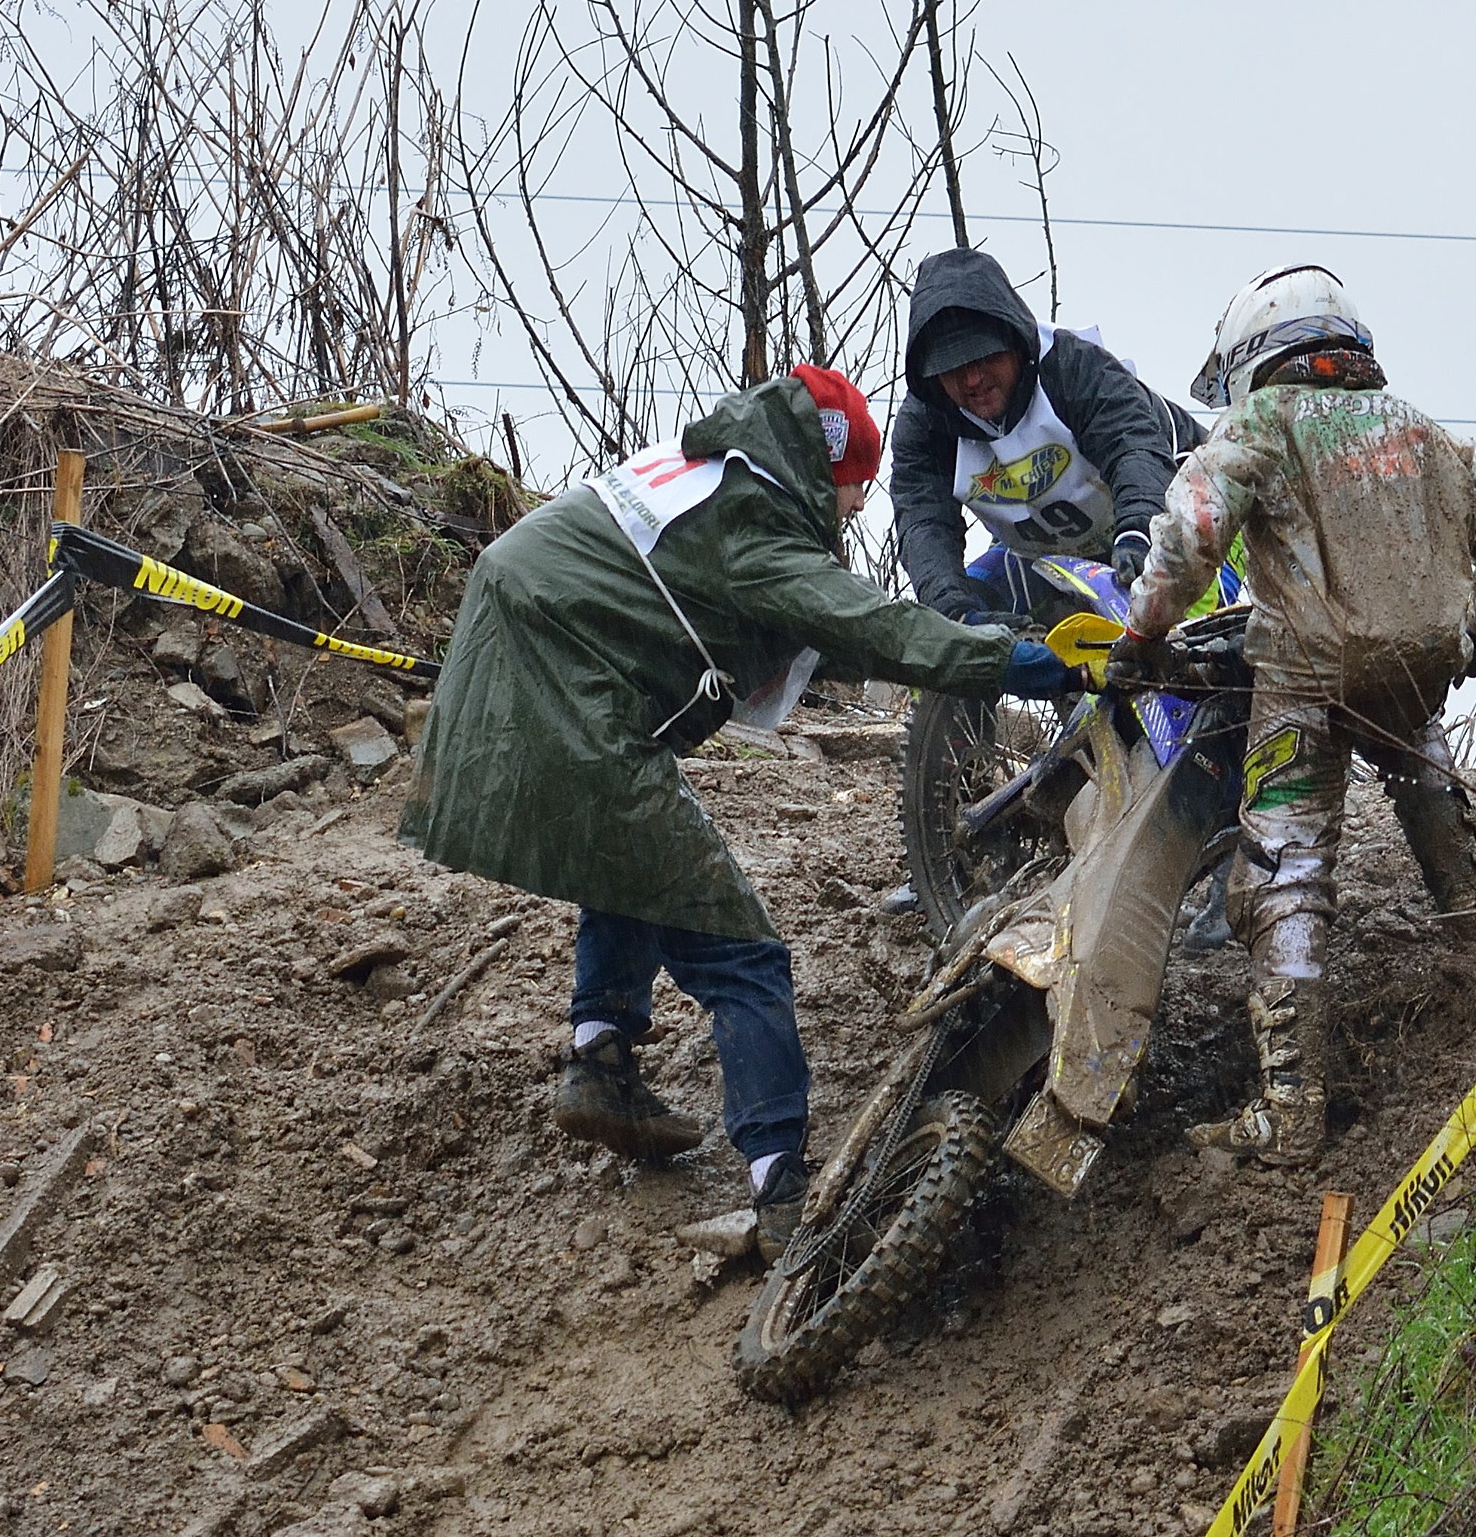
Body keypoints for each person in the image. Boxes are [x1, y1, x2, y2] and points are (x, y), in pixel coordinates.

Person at [400, 365, 1082, 1248]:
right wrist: (1011, 659)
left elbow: (804, 633)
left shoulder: (715, 476)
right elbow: (874, 627)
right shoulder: (755, 522)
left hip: (528, 661)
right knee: (745, 952)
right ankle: (782, 1192)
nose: (850, 513)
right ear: (832, 469)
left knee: (635, 852)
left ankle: (599, 1056)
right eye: (855, 494)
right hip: (566, 694)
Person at [1114, 264, 1476, 1166]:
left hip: (1304, 679)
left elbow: (1194, 529)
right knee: (1426, 781)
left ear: (1253, 357)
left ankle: (1289, 1103)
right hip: (1420, 668)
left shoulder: (1265, 421)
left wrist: (1145, 628)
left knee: (1287, 864)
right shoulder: (1427, 433)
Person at [890, 248, 1205, 624]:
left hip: (1179, 506)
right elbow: (925, 523)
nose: (973, 380)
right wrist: (954, 612)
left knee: (1179, 645)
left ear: (1015, 343)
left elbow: (1132, 448)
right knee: (951, 625)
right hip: (1053, 554)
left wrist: (1138, 531)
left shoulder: (1074, 368)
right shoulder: (925, 424)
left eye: (985, 358)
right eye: (953, 368)